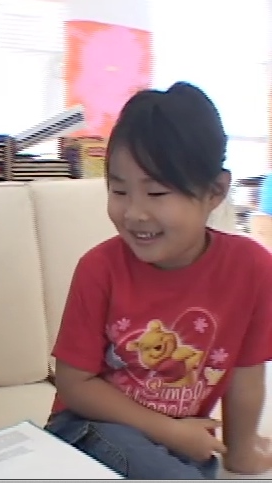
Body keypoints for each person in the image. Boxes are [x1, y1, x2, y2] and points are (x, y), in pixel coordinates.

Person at [45, 82, 272, 479]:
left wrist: (240, 453)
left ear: (216, 191)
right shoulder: (100, 269)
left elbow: (247, 374)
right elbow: (73, 383)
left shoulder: (252, 269)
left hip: (179, 444)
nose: (133, 213)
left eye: (156, 193)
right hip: (86, 429)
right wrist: (170, 431)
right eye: (119, 190)